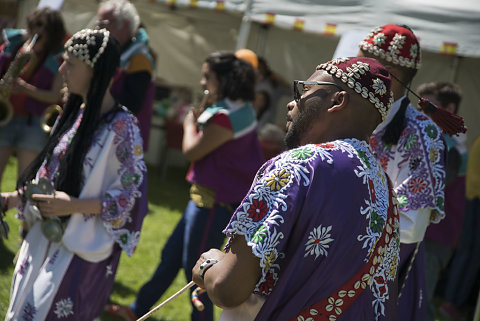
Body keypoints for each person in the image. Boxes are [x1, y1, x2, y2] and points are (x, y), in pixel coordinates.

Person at [191, 56, 400, 321]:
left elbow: (227, 288)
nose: (292, 102)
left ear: (337, 101)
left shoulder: (299, 165)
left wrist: (209, 265)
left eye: (305, 90)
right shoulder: (384, 188)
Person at [0, 28, 148, 320]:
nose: (62, 68)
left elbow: (130, 198)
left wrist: (73, 205)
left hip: (80, 249)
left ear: (95, 72)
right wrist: (12, 199)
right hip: (44, 238)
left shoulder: (123, 128)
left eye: (71, 63)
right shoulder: (72, 114)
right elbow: (49, 177)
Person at [106, 51, 265, 321]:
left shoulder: (225, 117)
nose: (203, 82)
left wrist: (190, 123)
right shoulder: (240, 109)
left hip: (212, 205)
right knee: (171, 258)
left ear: (224, 80)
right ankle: (137, 309)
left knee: (200, 274)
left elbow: (192, 151)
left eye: (207, 77)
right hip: (206, 203)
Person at [358, 24, 446, 320]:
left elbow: (410, 225)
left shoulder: (422, 133)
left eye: (360, 67)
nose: (349, 73)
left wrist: (341, 218)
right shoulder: (348, 112)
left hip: (378, 276)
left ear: (386, 77)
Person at [415, 82, 467, 321]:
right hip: (423, 232)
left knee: (419, 300)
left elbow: (427, 187)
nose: (420, 114)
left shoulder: (449, 147)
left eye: (428, 107)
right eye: (419, 106)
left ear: (450, 108)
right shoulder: (438, 140)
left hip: (435, 236)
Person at [0, 7, 66, 188]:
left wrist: (25, 89)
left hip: (32, 123)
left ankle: (21, 214)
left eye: (47, 28)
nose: (40, 31)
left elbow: (54, 96)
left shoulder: (57, 58)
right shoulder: (12, 46)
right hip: (5, 119)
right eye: (38, 25)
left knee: (25, 182)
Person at [96, 0, 155, 151]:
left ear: (125, 24)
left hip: (122, 140)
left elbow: (131, 104)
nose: (98, 28)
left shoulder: (139, 58)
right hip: (107, 132)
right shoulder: (117, 53)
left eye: (104, 23)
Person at [438, 135, 480, 321]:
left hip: (472, 198)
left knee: (468, 253)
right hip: (476, 200)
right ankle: (452, 303)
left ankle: (451, 301)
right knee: (472, 255)